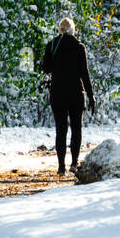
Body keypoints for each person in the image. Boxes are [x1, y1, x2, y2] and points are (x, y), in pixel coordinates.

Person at [40, 17, 95, 176]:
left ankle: (61, 167)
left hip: (58, 93)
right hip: (76, 93)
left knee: (61, 130)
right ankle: (74, 163)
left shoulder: (52, 46)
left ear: (60, 29)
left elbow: (46, 68)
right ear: (73, 30)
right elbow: (85, 74)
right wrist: (91, 96)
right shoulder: (79, 47)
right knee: (76, 128)